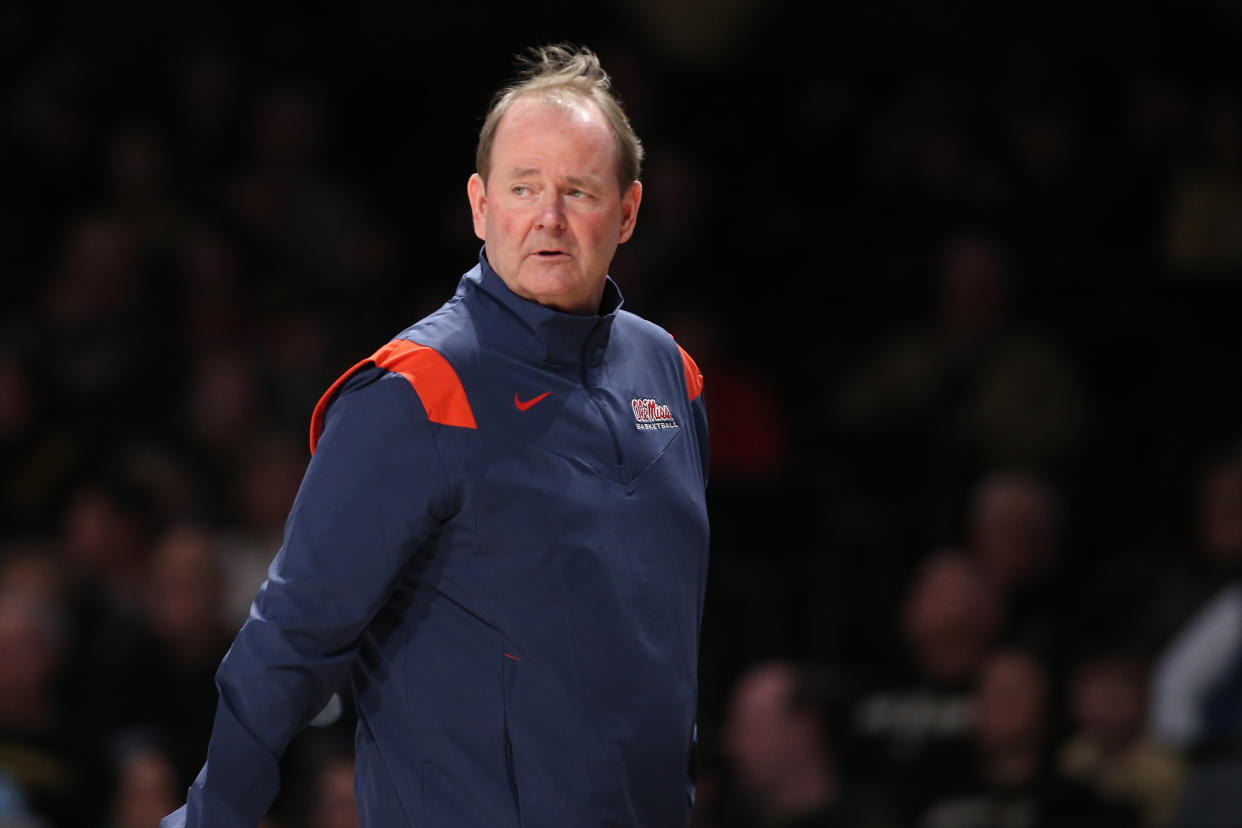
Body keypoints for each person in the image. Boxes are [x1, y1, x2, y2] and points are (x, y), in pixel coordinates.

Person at [162, 44, 710, 828]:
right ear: (481, 206)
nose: (548, 218)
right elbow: (290, 638)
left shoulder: (671, 375)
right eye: (524, 188)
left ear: (627, 211)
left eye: (578, 191)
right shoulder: (414, 393)